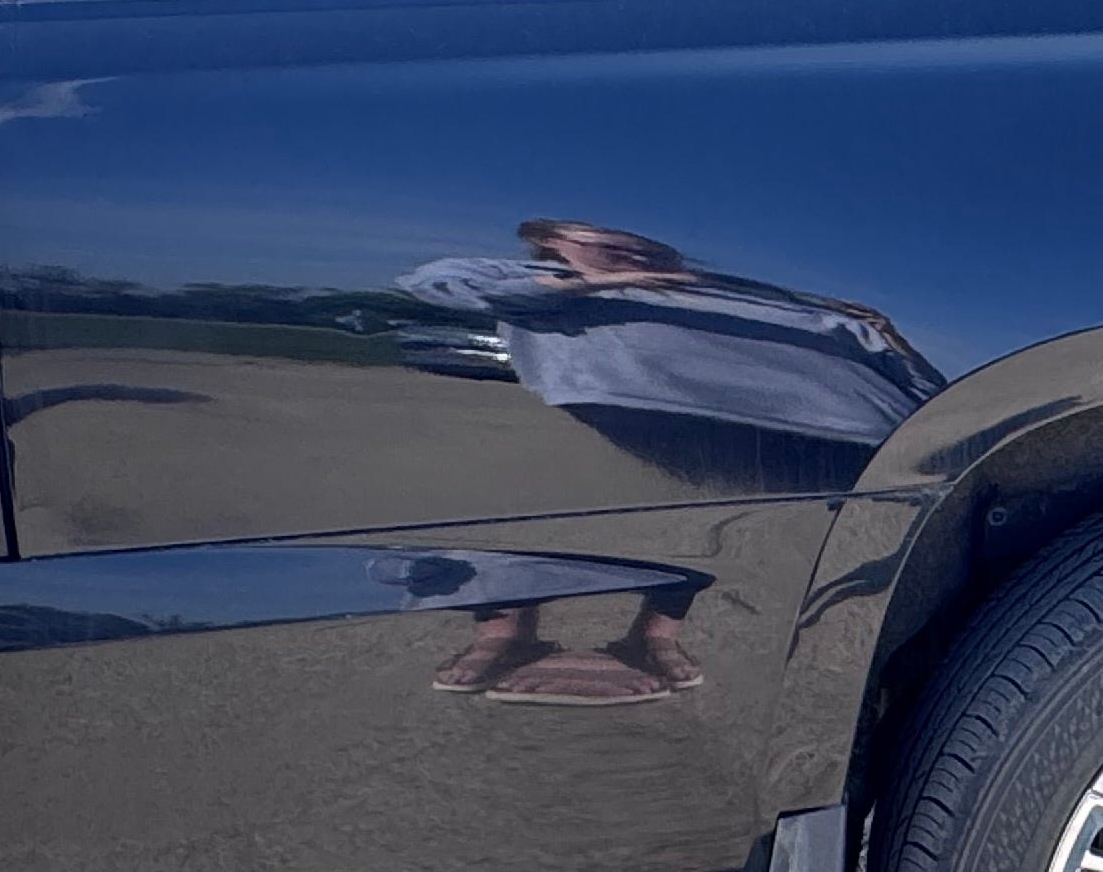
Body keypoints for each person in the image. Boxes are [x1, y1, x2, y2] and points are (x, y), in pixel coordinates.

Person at [399, 221, 944, 703]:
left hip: (821, 434)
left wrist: (891, 340)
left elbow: (918, 382)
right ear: (549, 241)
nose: (629, 251)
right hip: (628, 410)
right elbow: (434, 284)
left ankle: (652, 636)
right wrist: (614, 282)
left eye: (641, 246)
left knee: (716, 529)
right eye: (602, 238)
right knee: (535, 505)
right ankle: (504, 632)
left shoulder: (756, 294)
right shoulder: (531, 280)